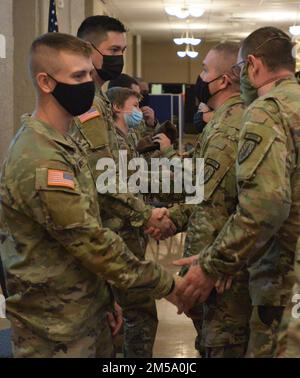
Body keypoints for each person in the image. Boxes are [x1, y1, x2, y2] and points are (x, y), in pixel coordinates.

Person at [0, 32, 184, 358]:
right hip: (55, 330)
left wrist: (104, 299)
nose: (88, 84)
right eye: (77, 76)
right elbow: (91, 241)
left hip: (85, 313)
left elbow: (87, 227)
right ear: (45, 82)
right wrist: (168, 285)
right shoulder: (40, 157)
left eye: (88, 73)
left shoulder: (67, 142)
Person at [175, 26, 300, 358]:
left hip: (282, 285)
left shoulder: (267, 110)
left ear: (254, 66)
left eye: (243, 69)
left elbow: (265, 206)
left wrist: (212, 265)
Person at [153, 42, 252, 358]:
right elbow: (202, 190)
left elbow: (215, 207)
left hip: (222, 273)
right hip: (217, 261)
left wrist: (206, 268)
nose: (199, 76)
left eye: (206, 70)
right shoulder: (223, 121)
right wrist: (172, 218)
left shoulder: (228, 125)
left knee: (222, 345)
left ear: (223, 80)